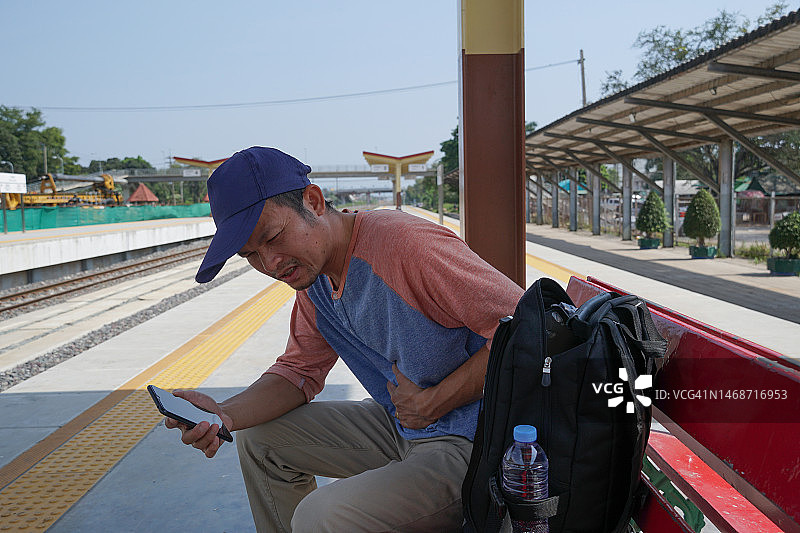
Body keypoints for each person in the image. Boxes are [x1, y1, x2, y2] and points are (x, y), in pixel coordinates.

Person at [166, 146, 523, 532]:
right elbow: (298, 371)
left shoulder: (404, 245)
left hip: (474, 444)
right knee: (259, 440)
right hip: (402, 425)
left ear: (314, 201)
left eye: (272, 237)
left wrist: (435, 401)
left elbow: (531, 330)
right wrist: (224, 414)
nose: (269, 264)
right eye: (250, 255)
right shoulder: (313, 280)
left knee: (321, 516)